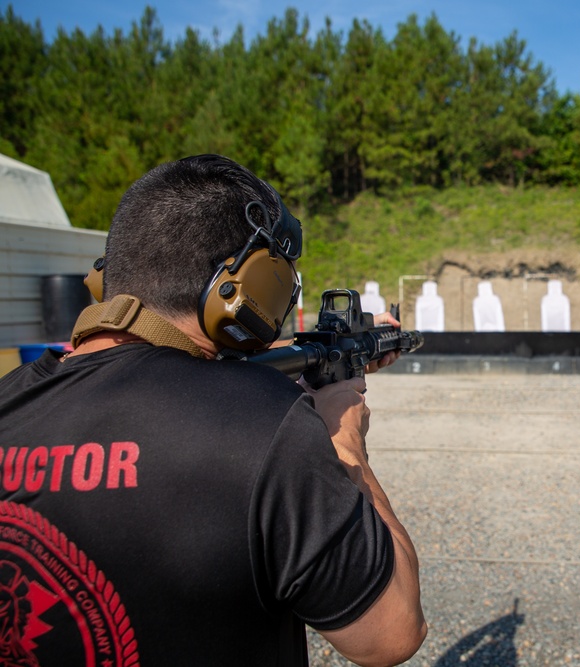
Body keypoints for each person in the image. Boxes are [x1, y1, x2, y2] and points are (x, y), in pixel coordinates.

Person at [0, 155, 426, 665]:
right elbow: (394, 634)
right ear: (250, 286)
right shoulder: (268, 425)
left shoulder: (11, 400)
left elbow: (179, 376)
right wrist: (344, 437)